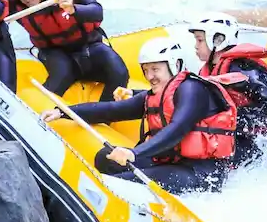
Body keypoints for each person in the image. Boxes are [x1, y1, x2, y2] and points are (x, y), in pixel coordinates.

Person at [39, 36, 238, 195]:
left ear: (175, 65)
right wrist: (62, 112)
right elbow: (111, 110)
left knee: (119, 184)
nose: (150, 76)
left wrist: (135, 153)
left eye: (155, 69)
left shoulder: (192, 89)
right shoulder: (155, 96)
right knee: (105, 158)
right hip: (171, 163)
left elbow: (177, 129)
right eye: (146, 70)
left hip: (200, 173)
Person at [2, 0, 129, 101]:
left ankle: (102, 117)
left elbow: (97, 12)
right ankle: (41, 113)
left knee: (119, 71)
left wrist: (73, 9)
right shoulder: (12, 2)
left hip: (88, 44)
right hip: (52, 51)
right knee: (63, 72)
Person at [188, 11, 267, 168]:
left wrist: (236, 120)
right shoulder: (208, 70)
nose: (195, 46)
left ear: (218, 40)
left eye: (199, 40)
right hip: (230, 134)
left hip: (257, 139)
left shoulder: (242, 69)